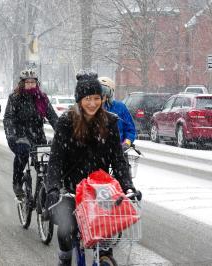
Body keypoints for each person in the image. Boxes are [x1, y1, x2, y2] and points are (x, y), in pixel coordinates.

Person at [45, 71, 137, 265]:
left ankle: (104, 255)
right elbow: (56, 160)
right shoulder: (66, 122)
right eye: (88, 98)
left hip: (100, 188)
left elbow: (118, 160)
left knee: (106, 229)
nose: (93, 103)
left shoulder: (110, 122)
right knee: (65, 228)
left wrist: (127, 186)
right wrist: (53, 187)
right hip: (72, 187)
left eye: (97, 98)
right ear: (79, 100)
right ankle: (65, 258)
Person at [3, 69, 58, 197]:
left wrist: (61, 131)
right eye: (27, 82)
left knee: (45, 163)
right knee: (22, 153)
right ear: (22, 83)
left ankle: (44, 190)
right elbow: (8, 118)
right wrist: (11, 134)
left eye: (33, 82)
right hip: (19, 136)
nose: (30, 84)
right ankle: (17, 182)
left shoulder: (42, 98)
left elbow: (53, 117)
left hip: (38, 136)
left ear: (37, 83)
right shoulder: (15, 98)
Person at [99, 76, 136, 151]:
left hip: (117, 151)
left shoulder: (120, 107)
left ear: (110, 94)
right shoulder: (90, 108)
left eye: (104, 92)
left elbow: (130, 129)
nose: (101, 96)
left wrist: (127, 143)